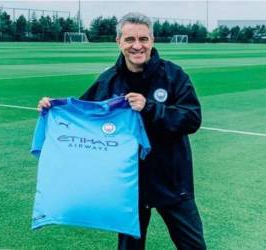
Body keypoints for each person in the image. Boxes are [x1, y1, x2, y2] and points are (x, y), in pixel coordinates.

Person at [38, 12, 206, 250]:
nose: (137, 46)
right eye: (129, 40)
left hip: (172, 181)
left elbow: (192, 118)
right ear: (118, 42)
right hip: (128, 183)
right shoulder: (109, 80)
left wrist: (149, 107)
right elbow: (84, 114)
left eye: (143, 39)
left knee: (193, 246)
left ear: (152, 40)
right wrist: (53, 107)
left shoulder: (173, 75)